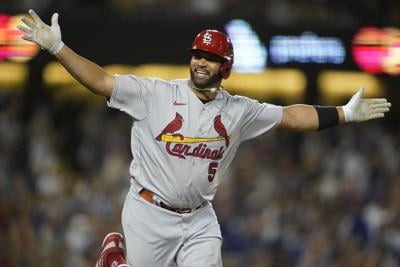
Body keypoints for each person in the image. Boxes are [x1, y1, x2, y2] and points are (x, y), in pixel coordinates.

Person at [18, 10, 391, 267]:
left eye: (210, 57)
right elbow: (99, 81)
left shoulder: (239, 110)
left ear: (224, 67)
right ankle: (116, 259)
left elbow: (292, 117)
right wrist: (57, 48)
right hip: (149, 212)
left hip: (199, 219)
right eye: (197, 54)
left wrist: (343, 113)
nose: (200, 62)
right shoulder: (155, 94)